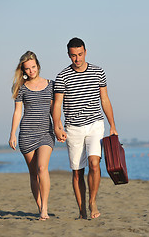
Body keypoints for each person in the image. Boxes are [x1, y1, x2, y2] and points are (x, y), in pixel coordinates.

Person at [52, 37, 118, 219]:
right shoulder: (62, 76)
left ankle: (92, 201)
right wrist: (57, 126)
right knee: (77, 172)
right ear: (68, 55)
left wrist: (112, 125)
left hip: (95, 124)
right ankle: (82, 210)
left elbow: (104, 99)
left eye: (80, 54)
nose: (77, 59)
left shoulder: (98, 72)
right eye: (73, 55)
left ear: (85, 52)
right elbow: (57, 104)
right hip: (73, 128)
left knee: (94, 164)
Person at [8, 51, 55, 220]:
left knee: (42, 168)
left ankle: (45, 209)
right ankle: (40, 206)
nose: (31, 71)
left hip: (46, 133)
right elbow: (17, 112)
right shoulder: (20, 87)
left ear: (38, 65)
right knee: (34, 173)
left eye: (33, 67)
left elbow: (53, 110)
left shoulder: (51, 85)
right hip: (26, 134)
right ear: (23, 70)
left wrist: (58, 127)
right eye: (27, 68)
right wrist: (12, 133)